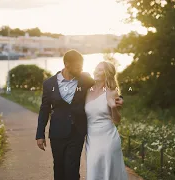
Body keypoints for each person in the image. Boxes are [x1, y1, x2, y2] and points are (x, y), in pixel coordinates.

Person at [35, 49, 124, 180]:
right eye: (78, 67)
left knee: (72, 168)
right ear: (66, 64)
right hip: (57, 132)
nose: (80, 69)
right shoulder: (49, 84)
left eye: (82, 66)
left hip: (77, 132)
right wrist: (39, 134)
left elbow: (105, 87)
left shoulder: (85, 79)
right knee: (58, 166)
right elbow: (44, 109)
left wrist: (120, 98)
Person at [85, 61, 128, 180]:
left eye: (100, 70)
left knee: (110, 173)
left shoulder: (111, 92)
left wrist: (114, 107)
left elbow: (117, 120)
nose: (95, 71)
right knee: (94, 172)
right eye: (95, 68)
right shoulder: (86, 90)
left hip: (108, 138)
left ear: (106, 74)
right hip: (91, 139)